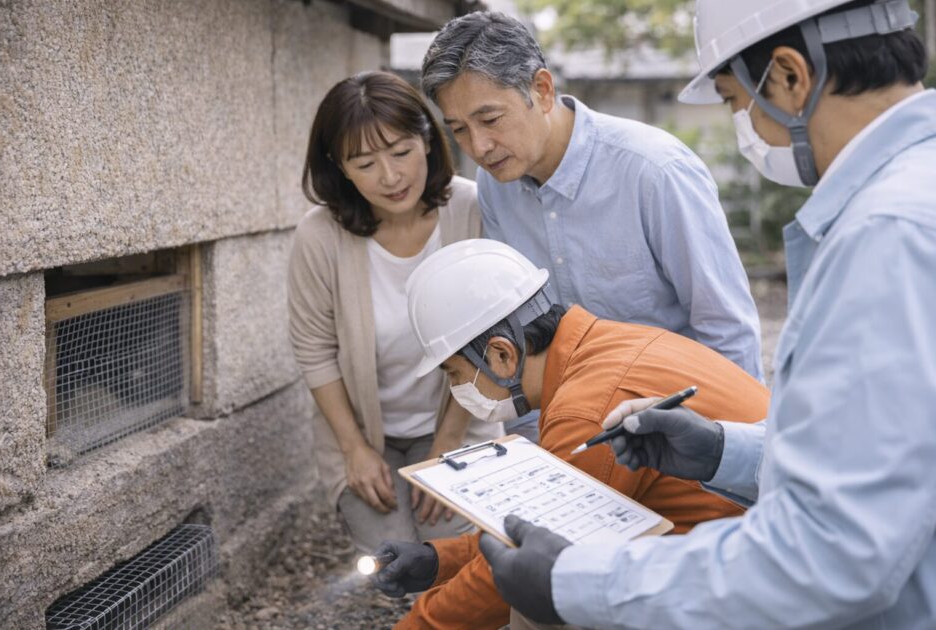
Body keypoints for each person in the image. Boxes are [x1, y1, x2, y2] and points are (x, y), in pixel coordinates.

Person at [478, 1, 936, 628]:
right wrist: (727, 450)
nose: (743, 126)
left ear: (789, 76)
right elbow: (890, 452)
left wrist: (578, 582)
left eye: (731, 100)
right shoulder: (914, 196)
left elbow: (833, 552)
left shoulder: (886, 235)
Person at [368, 239, 770, 629]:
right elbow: (539, 524)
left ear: (502, 355)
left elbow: (512, 571)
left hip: (744, 587)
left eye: (455, 374)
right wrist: (438, 559)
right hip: (745, 552)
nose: (458, 389)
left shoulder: (587, 408)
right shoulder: (607, 345)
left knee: (540, 607)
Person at [420, 11, 764, 386]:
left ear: (542, 90)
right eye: (459, 130)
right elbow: (523, 342)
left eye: (490, 119)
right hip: (571, 426)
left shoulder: (654, 171)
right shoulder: (494, 186)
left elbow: (727, 329)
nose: (479, 147)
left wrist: (732, 439)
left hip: (680, 419)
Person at [287, 71, 501, 554]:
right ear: (339, 168)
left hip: (461, 422)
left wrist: (449, 441)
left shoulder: (472, 209)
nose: (390, 177)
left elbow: (495, 334)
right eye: (364, 163)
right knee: (394, 558)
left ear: (428, 140)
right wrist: (354, 449)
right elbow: (314, 350)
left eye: (401, 152)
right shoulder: (319, 236)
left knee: (451, 555)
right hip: (365, 433)